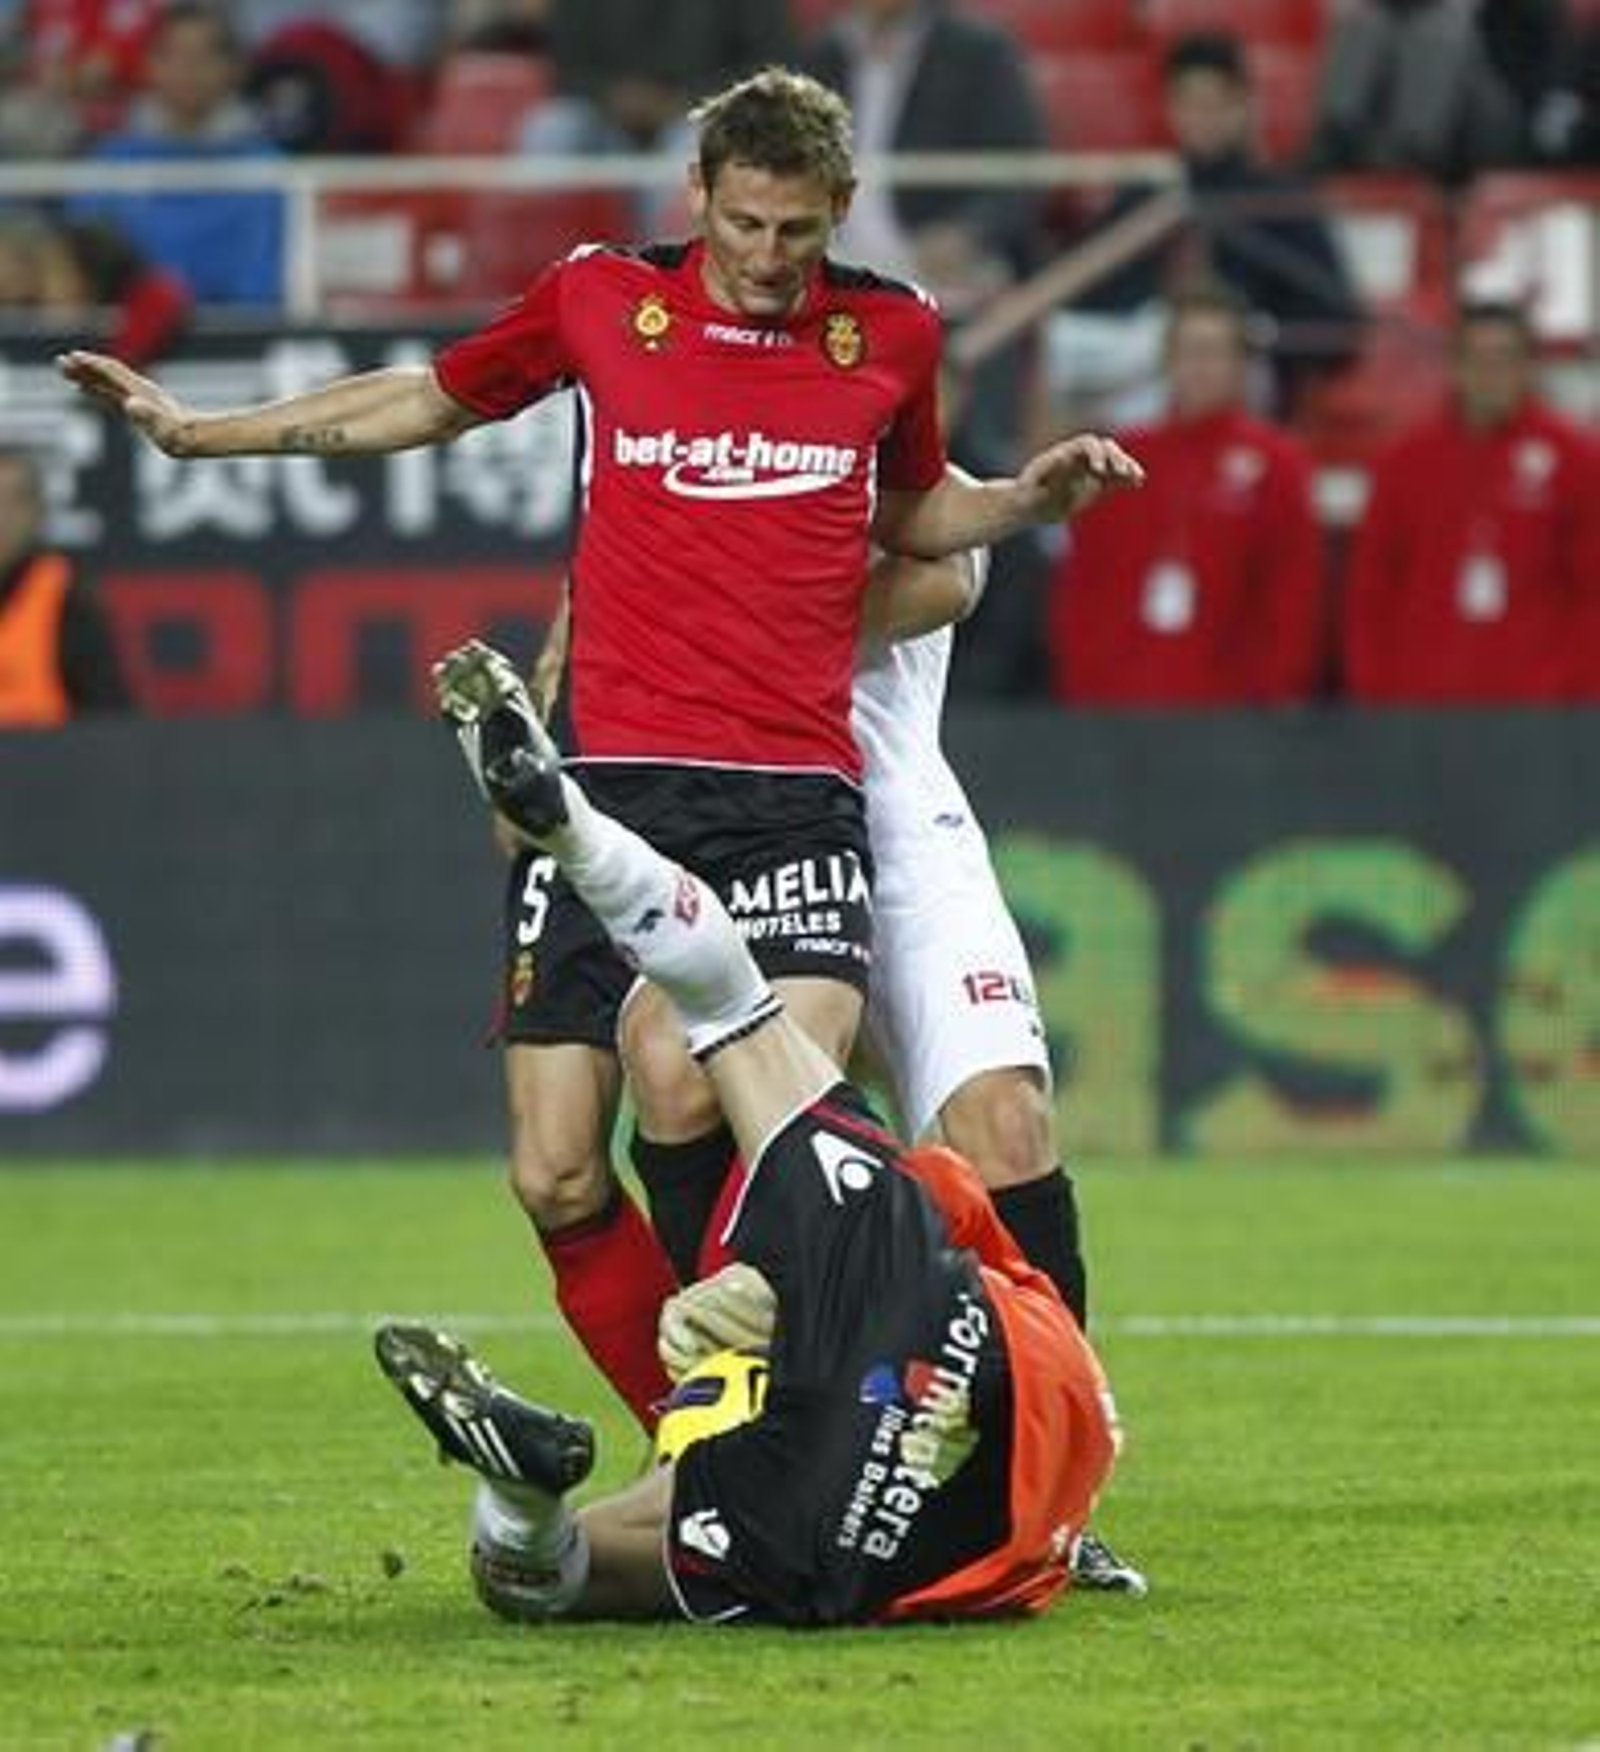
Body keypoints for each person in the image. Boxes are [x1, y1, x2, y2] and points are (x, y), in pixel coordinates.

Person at [58, 67, 1142, 1435]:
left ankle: (919, 1411)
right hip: (603, 798)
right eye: (743, 225)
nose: (763, 261)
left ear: (840, 214)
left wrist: (1028, 500)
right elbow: (432, 399)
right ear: (699, 199)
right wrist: (205, 435)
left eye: (796, 233)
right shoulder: (599, 299)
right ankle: (703, 1449)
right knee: (556, 1171)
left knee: (728, 1092)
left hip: (791, 800)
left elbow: (924, 523)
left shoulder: (892, 338)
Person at [374, 638, 1122, 1627]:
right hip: (923, 1460)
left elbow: (952, 1205)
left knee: (549, 1574)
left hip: (894, 1467)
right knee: (728, 1009)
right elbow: (960, 1210)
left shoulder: (886, 1257)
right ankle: (583, 834)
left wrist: (784, 1292)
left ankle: (531, 1505)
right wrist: (786, 1290)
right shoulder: (888, 1259)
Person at [1055, 32, 1362, 424]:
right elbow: (1086, 295)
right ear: (1170, 108)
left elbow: (1335, 320)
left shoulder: (1279, 199)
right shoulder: (1147, 190)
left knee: (1206, 340)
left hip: (1245, 366)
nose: (1203, 117)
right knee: (1060, 342)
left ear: (1245, 106)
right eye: (1190, 103)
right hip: (1140, 366)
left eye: (1217, 102)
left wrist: (1255, 335)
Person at [1048, 287, 1326, 707]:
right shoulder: (1119, 457)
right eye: (1189, 351)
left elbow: (1294, 597)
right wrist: (1087, 691)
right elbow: (1081, 588)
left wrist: (1273, 696)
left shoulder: (1278, 464)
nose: (1201, 367)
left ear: (1240, 364)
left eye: (1215, 352)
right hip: (1119, 711)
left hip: (1233, 717)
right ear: (1167, 359)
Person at [1343, 301, 1600, 704]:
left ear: (1528, 367)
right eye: (1477, 358)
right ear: (1455, 366)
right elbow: (1372, 591)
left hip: (1541, 711)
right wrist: (1379, 693)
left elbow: (1591, 591)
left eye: (1504, 358)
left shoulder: (1576, 461)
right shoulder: (1404, 463)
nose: (1490, 374)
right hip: (1425, 707)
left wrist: (1576, 694)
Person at [72, 1, 285, 307]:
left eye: (206, 54)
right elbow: (82, 271)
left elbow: (268, 284)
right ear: (149, 64)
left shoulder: (269, 169)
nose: (188, 68)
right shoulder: (110, 162)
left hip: (238, 345)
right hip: (120, 340)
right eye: (173, 53)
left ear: (236, 67)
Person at [0, 445, 132, 725]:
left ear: (38, 513)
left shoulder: (68, 598)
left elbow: (109, 718)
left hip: (46, 762)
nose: (3, 518)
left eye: (13, 502)